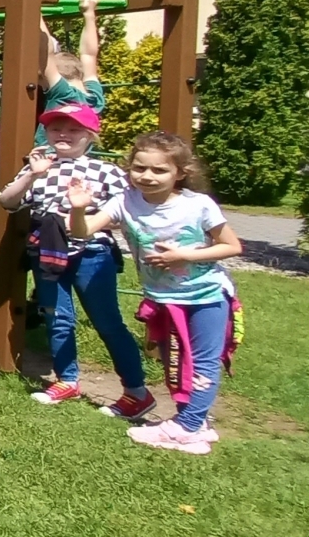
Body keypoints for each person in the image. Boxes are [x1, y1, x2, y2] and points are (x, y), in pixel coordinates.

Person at [69, 132, 244, 454]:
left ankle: (188, 426)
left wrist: (184, 256)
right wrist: (78, 209)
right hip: (163, 298)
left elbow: (232, 246)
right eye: (139, 168)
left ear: (180, 172)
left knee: (203, 363)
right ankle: (193, 424)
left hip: (206, 296)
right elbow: (82, 231)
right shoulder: (124, 201)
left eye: (159, 170)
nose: (147, 176)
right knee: (173, 362)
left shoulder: (198, 205)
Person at [0, 103, 150, 416]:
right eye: (55, 128)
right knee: (57, 317)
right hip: (47, 252)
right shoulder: (38, 166)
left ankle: (136, 390)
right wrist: (32, 175)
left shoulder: (107, 172)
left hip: (92, 253)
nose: (63, 134)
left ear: (91, 135)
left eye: (73, 129)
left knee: (107, 321)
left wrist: (85, 219)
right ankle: (67, 380)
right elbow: (7, 201)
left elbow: (127, 213)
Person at [37, 0, 105, 144]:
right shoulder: (94, 98)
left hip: (51, 154)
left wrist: (33, 9)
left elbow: (46, 52)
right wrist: (89, 13)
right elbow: (89, 54)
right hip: (79, 154)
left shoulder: (62, 93)